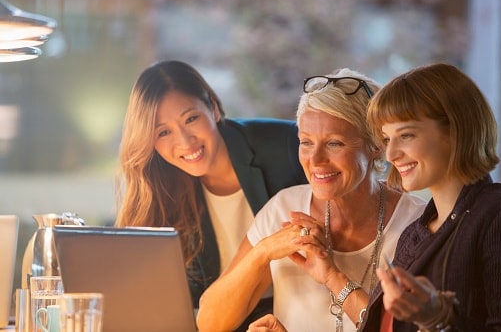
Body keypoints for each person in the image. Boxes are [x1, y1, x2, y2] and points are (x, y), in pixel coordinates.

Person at [196, 68, 427, 332]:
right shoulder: (283, 209)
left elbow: (405, 329)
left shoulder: (418, 223)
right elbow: (209, 323)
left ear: (375, 145)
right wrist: (263, 252)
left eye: (334, 144)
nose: (315, 160)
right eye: (306, 142)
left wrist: (333, 277)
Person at [114, 60, 308, 330]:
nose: (184, 141)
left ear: (213, 108)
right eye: (163, 132)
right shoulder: (161, 191)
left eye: (191, 119)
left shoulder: (286, 145)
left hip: (295, 317)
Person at [359, 62, 501, 331]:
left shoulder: (499, 214)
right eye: (386, 138)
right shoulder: (414, 233)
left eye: (406, 135)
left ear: (455, 131)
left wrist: (438, 320)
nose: (391, 154)